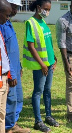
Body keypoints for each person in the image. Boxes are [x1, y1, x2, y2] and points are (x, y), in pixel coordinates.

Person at [22, 0, 58, 132]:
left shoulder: (43, 22)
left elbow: (48, 43)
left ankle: (48, 116)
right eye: (45, 9)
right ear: (38, 7)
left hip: (49, 64)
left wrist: (54, 58)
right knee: (38, 92)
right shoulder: (30, 23)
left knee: (47, 91)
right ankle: (38, 121)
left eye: (49, 9)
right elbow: (31, 46)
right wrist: (42, 64)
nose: (47, 12)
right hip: (40, 66)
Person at [0, 0, 30, 132]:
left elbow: (12, 49)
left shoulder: (8, 23)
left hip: (15, 67)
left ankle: (13, 123)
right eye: (14, 7)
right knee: (11, 99)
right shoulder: (2, 25)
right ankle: (8, 127)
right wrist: (11, 72)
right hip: (9, 70)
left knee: (18, 97)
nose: (16, 10)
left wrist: (19, 66)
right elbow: (4, 51)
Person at [0, 0, 12, 133]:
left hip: (4, 78)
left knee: (1, 115)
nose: (8, 18)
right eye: (6, 15)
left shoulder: (1, 30)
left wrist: (8, 75)